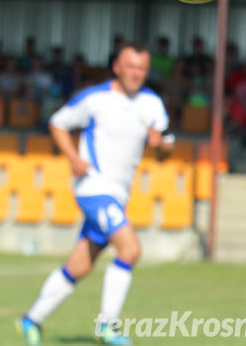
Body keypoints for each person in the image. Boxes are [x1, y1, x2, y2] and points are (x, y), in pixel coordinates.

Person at [16, 42, 173, 346]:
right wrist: (73, 157)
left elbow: (166, 149)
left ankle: (30, 320)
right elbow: (58, 123)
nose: (136, 73)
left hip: (119, 195)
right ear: (117, 67)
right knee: (130, 250)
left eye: (141, 68)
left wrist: (161, 144)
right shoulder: (95, 98)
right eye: (130, 66)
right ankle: (108, 328)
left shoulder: (152, 103)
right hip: (94, 189)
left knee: (80, 265)